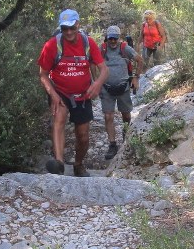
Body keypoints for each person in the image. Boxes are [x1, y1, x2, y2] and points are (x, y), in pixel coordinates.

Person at [37, 9, 106, 177]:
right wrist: (53, 94)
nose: (68, 32)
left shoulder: (88, 43)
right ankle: (59, 163)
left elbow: (104, 69)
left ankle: (78, 164)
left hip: (83, 95)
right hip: (60, 92)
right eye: (64, 28)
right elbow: (43, 74)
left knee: (83, 136)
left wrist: (97, 84)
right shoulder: (52, 45)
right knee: (58, 120)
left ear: (77, 25)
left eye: (71, 28)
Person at [99, 25, 143, 159]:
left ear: (119, 38)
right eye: (110, 38)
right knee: (108, 116)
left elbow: (139, 60)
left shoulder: (125, 48)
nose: (112, 41)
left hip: (123, 87)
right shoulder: (102, 49)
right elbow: (92, 62)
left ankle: (126, 134)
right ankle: (112, 144)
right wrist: (97, 81)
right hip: (106, 88)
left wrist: (136, 78)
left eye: (115, 38)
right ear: (107, 38)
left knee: (126, 115)